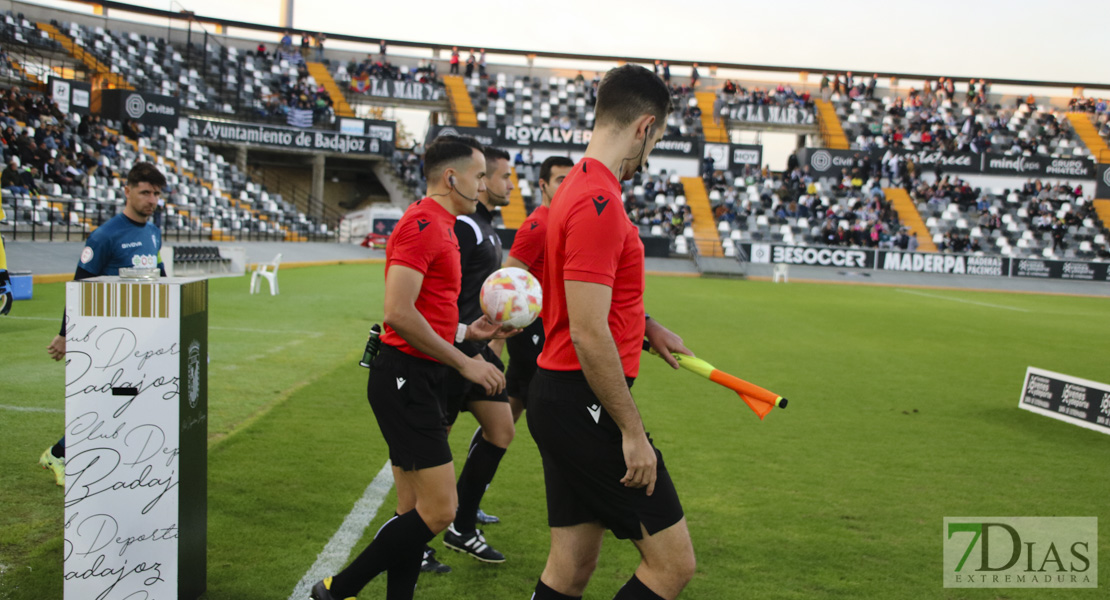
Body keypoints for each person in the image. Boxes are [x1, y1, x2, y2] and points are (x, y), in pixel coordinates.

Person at [309, 136, 508, 600]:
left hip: (421, 373)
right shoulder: (422, 223)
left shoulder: (445, 225)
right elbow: (398, 313)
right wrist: (466, 363)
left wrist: (466, 334)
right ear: (450, 177)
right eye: (479, 176)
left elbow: (428, 310)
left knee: (411, 509)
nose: (483, 186)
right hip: (405, 377)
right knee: (439, 512)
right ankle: (336, 591)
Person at [527, 64, 696, 600]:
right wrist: (632, 433)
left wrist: (644, 326)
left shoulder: (577, 185)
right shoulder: (599, 201)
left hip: (560, 396)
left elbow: (582, 295)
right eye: (658, 139)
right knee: (672, 565)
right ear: (645, 127)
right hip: (583, 400)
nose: (650, 154)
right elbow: (587, 330)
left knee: (571, 565)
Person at [41, 163, 168, 486]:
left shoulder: (154, 233)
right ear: (127, 191)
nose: (151, 200)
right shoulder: (104, 236)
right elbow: (78, 287)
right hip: (107, 335)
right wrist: (63, 335)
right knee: (102, 402)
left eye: (156, 194)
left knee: (131, 401)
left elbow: (161, 279)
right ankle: (59, 453)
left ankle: (107, 457)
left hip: (143, 335)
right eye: (145, 192)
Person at [436, 146, 519, 564]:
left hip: (476, 348)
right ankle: (414, 542)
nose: (509, 184)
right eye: (504, 176)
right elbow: (445, 289)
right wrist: (461, 338)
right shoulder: (466, 226)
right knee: (433, 452)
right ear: (482, 180)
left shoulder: (487, 227)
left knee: (502, 430)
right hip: (451, 354)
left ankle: (462, 526)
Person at [502, 156, 574, 422]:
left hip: (545, 327)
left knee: (507, 415)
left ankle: (482, 460)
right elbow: (507, 282)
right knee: (550, 414)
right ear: (543, 185)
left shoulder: (559, 221)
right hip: (532, 329)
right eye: (560, 180)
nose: (567, 186)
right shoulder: (537, 226)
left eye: (571, 180)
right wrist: (497, 341)